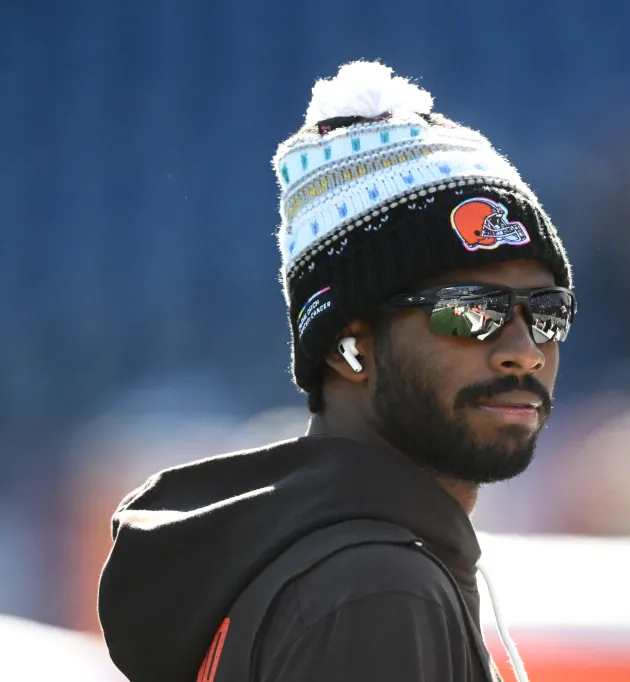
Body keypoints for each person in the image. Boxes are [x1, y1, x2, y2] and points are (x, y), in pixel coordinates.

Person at [97, 61, 575, 682]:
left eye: (548, 313)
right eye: (469, 311)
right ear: (346, 346)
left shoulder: (336, 562)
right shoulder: (377, 588)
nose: (526, 350)